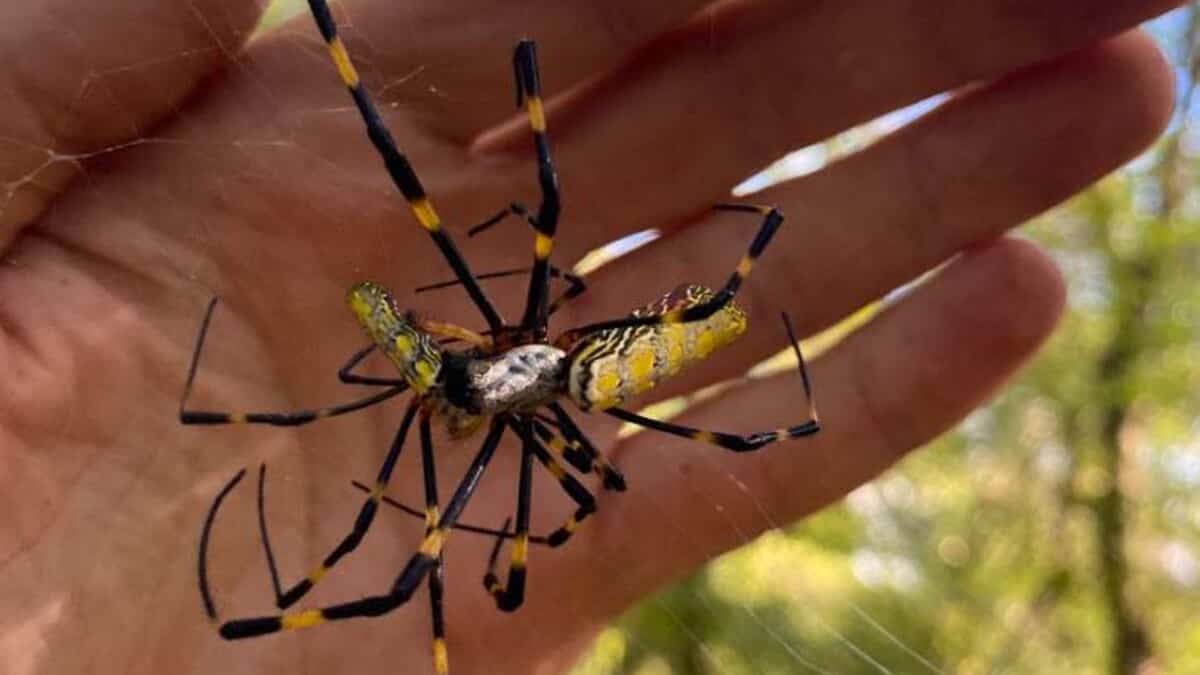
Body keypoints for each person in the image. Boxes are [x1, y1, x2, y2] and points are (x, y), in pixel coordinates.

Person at [0, 1, 1179, 673]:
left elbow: (541, 521)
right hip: (567, 363)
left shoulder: (505, 377)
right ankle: (446, 75)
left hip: (578, 363)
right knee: (456, 498)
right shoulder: (490, 372)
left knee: (545, 328)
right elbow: (510, 534)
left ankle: (709, 236)